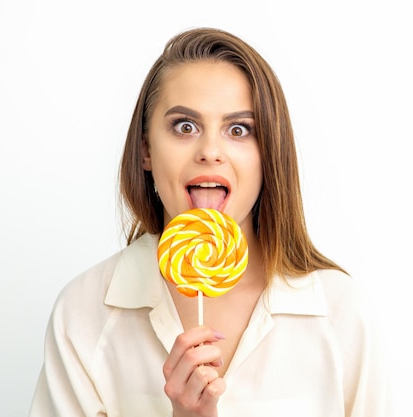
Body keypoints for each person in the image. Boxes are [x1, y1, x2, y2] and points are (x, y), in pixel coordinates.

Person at [28, 27, 392, 417]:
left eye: (239, 129)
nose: (211, 152)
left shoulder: (340, 312)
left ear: (269, 152)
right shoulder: (84, 312)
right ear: (146, 149)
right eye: (185, 126)